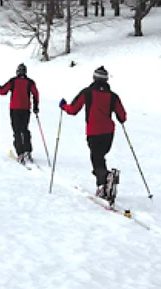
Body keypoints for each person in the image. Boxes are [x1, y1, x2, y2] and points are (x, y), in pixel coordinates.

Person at [59, 66, 127, 200]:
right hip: (109, 133)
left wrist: (63, 106)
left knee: (96, 158)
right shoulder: (113, 96)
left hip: (94, 131)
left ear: (94, 78)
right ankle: (105, 183)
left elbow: (73, 110)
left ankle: (105, 180)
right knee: (100, 157)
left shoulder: (87, 93)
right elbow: (122, 117)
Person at [0, 63, 40, 164]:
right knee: (25, 130)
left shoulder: (13, 81)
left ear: (17, 71)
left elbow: (3, 91)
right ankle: (27, 151)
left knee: (17, 131)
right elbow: (36, 94)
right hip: (26, 109)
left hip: (15, 109)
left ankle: (20, 152)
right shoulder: (30, 82)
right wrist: (36, 107)